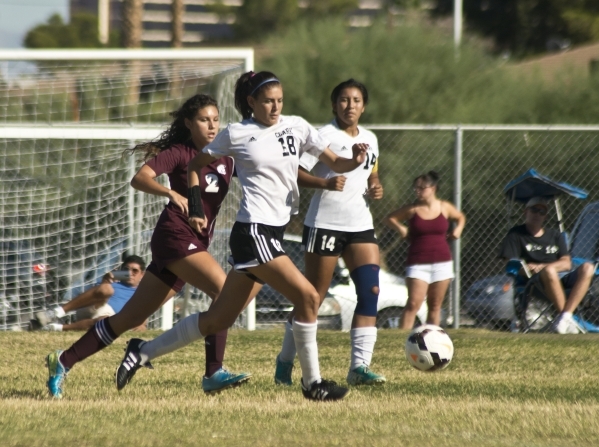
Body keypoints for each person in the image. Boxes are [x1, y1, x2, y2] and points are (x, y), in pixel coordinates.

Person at [117, 70, 367, 401]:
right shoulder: (237, 133)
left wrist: (355, 160)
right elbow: (194, 166)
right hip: (253, 231)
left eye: (279, 100)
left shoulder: (297, 125)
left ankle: (143, 351)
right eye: (267, 101)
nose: (275, 107)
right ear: (251, 103)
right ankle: (313, 384)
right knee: (308, 297)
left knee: (217, 319)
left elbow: (335, 162)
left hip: (271, 232)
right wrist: (192, 203)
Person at [45, 94, 256, 399]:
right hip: (174, 236)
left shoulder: (225, 157)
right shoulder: (179, 153)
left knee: (128, 319)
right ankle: (213, 373)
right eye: (203, 120)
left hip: (194, 242)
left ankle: (63, 360)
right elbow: (140, 178)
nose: (211, 126)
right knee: (223, 293)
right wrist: (171, 194)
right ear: (188, 123)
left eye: (215, 119)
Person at [273, 79, 386, 387]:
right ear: (334, 104)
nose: (350, 105)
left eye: (356, 100)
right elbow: (293, 171)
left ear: (364, 105)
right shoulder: (323, 136)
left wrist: (374, 186)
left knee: (371, 292)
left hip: (360, 224)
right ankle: (284, 361)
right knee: (313, 298)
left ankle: (359, 367)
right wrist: (324, 183)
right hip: (325, 224)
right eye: (344, 100)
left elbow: (371, 171)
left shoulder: (371, 138)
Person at [499, 196, 595, 334]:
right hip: (535, 282)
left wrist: (545, 266)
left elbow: (566, 263)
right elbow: (511, 263)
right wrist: (527, 268)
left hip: (561, 275)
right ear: (525, 212)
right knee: (549, 271)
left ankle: (565, 317)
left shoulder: (555, 236)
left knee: (588, 267)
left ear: (546, 216)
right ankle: (567, 321)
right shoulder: (516, 235)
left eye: (542, 212)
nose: (538, 214)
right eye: (534, 210)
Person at [384, 171, 466, 329]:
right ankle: (400, 340)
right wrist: (401, 229)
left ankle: (430, 341)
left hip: (442, 263)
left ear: (433, 188)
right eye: (416, 188)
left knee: (435, 305)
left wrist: (458, 230)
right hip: (418, 263)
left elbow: (460, 217)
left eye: (422, 187)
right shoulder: (412, 209)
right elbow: (389, 218)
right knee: (413, 304)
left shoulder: (444, 207)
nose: (418, 191)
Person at [33, 255, 147, 332]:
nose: (130, 273)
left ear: (142, 274)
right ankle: (56, 313)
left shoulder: (143, 293)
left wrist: (142, 324)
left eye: (135, 271)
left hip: (111, 315)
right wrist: (106, 280)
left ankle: (58, 328)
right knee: (106, 290)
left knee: (104, 322)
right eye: (126, 269)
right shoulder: (113, 281)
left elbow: (145, 313)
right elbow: (97, 291)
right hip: (94, 304)